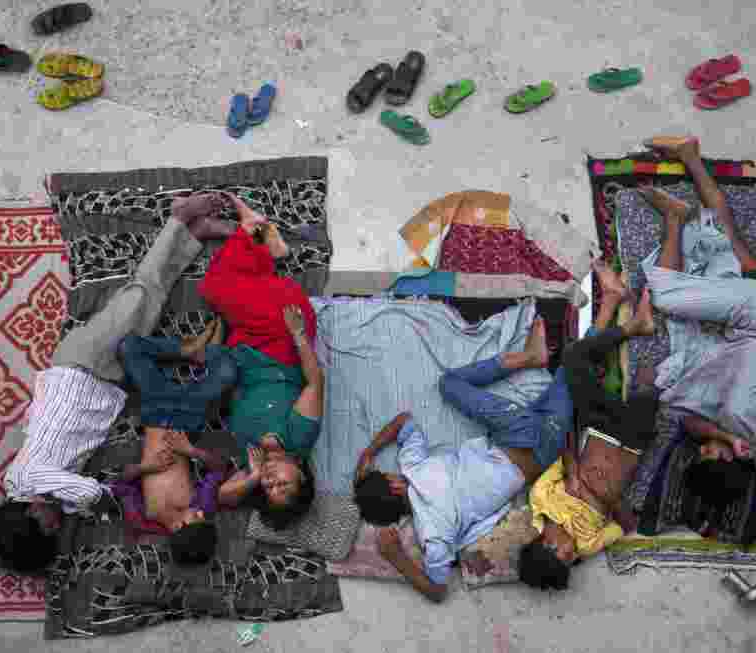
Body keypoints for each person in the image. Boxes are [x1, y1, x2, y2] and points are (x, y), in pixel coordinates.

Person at [0, 194, 232, 573]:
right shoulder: (42, 490)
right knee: (150, 305)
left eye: (52, 530)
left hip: (82, 366)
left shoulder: (24, 480)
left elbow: (90, 492)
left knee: (141, 294)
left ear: (34, 518)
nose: (60, 527)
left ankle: (179, 220)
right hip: (101, 381)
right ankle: (194, 235)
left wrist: (92, 503)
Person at [351, 313, 578, 603]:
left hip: (540, 452)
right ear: (394, 486)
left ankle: (549, 357)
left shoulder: (434, 533)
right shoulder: (413, 468)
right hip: (516, 430)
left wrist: (398, 558)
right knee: (449, 383)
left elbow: (437, 590)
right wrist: (369, 451)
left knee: (573, 365)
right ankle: (533, 357)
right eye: (389, 475)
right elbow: (404, 421)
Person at [638, 135, 756, 539]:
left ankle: (690, 156)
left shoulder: (744, 443)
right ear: (735, 461)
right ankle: (674, 217)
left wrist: (719, 436)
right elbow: (740, 360)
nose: (705, 447)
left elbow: (692, 424)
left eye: (704, 453)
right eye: (713, 454)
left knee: (726, 234)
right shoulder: (751, 423)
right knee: (667, 296)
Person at [518, 263, 658, 590]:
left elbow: (562, 447)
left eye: (566, 557)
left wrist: (573, 471)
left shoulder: (540, 501)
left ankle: (632, 325)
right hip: (631, 441)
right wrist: (607, 499)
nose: (574, 556)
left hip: (597, 426)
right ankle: (627, 320)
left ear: (549, 545)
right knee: (650, 382)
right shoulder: (588, 544)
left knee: (573, 360)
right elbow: (627, 525)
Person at [198, 194, 323, 530]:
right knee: (214, 289)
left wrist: (252, 478)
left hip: (244, 344)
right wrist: (298, 334)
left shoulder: (248, 456)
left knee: (237, 292)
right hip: (283, 338)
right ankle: (251, 230)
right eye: (283, 483)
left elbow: (219, 499)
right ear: (301, 474)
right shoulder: (300, 438)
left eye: (269, 488)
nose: (271, 479)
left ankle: (267, 252)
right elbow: (314, 382)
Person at [110, 324, 240, 565]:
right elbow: (220, 469)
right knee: (228, 371)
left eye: (197, 518)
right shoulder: (203, 505)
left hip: (153, 409)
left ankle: (193, 351)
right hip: (188, 415)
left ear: (178, 527)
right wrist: (190, 451)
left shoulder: (144, 517)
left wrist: (145, 468)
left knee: (127, 347)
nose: (202, 514)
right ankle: (197, 351)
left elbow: (119, 484)